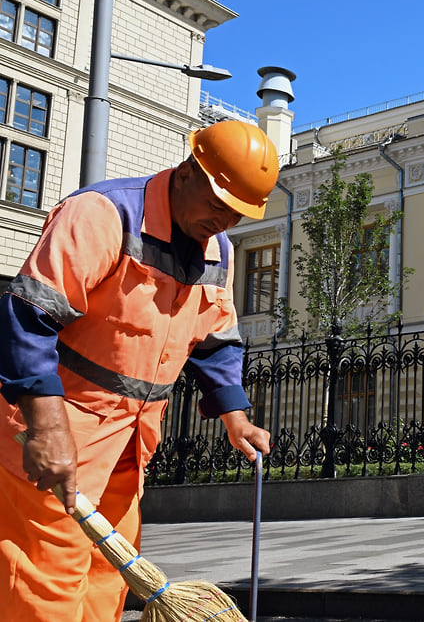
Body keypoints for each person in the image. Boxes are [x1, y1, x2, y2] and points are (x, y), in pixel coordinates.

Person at [0, 119, 279, 622]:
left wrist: (236, 415)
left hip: (130, 441)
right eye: (219, 204)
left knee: (110, 573)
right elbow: (27, 316)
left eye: (237, 214)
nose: (225, 222)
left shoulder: (219, 250)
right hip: (61, 427)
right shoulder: (102, 214)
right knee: (49, 575)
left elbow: (214, 339)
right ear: (189, 170)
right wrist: (47, 426)